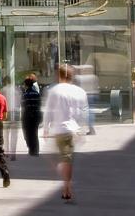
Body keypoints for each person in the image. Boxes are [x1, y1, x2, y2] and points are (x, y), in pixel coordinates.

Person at [43, 65, 89, 201]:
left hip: (59, 129)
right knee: (66, 158)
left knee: (61, 158)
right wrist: (83, 128)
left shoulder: (54, 91)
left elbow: (48, 111)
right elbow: (84, 111)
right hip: (73, 129)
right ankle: (66, 183)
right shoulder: (80, 92)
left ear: (60, 76)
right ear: (72, 76)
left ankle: (66, 187)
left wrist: (45, 128)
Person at [21, 75, 42, 156]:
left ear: (26, 85)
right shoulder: (36, 93)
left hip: (27, 116)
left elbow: (23, 106)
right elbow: (39, 104)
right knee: (34, 133)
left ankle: (31, 149)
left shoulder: (25, 95)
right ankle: (35, 150)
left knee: (28, 133)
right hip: (36, 116)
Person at [1, 76, 19, 161]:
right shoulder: (16, 90)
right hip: (15, 113)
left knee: (5, 133)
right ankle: (13, 153)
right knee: (14, 134)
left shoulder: (3, 90)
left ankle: (7, 152)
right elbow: (19, 103)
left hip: (6, 113)